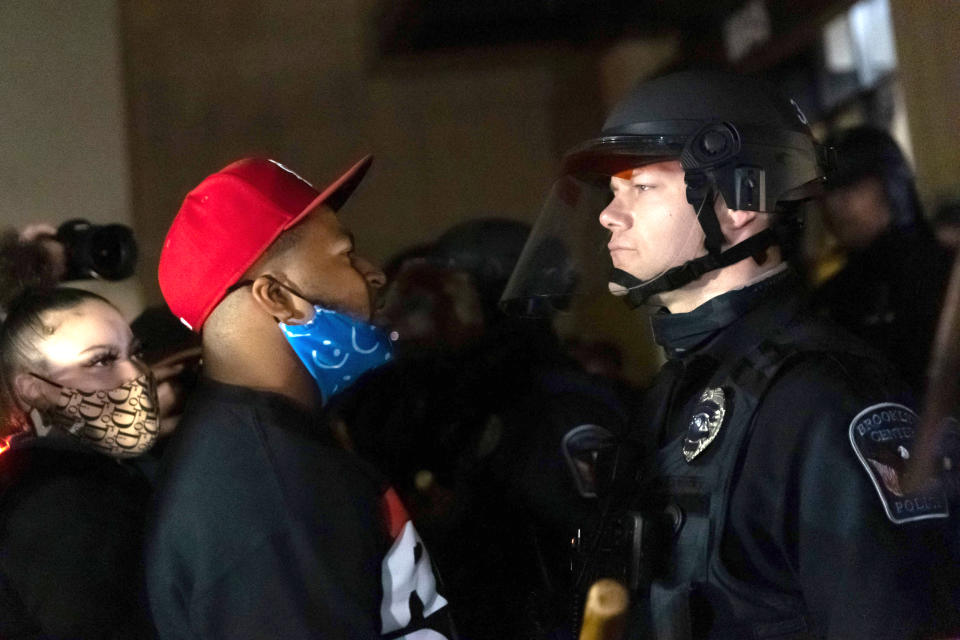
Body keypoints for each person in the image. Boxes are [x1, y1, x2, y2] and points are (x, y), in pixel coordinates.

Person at [501, 70, 959, 638]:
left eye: (641, 188)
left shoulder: (823, 402)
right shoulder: (682, 385)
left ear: (742, 201)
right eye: (614, 193)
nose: (608, 215)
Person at [146, 156, 454, 639]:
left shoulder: (272, 443)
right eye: (345, 255)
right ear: (276, 297)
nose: (374, 274)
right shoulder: (263, 491)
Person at [334, 218, 630, 639]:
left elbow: (591, 558)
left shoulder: (561, 406)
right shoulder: (468, 398)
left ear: (495, 296)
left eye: (448, 290)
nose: (432, 310)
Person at [0, 287, 164, 639]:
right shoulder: (59, 505)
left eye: (135, 352)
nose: (135, 373)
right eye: (101, 361)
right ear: (33, 389)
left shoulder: (94, 474)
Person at [812, 126, 955, 394]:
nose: (835, 205)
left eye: (851, 187)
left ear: (892, 184)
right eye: (828, 193)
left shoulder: (945, 271)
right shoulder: (831, 299)